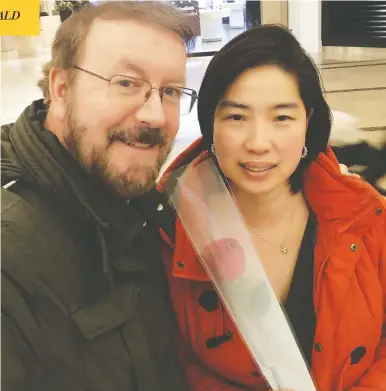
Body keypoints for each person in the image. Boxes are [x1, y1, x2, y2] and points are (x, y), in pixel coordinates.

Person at [158, 25, 386, 390]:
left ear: (308, 122)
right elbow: (173, 360)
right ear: (210, 124)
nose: (258, 143)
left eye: (282, 117)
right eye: (236, 117)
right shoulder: (172, 231)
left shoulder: (364, 216)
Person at [1, 2, 198, 390]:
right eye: (126, 83)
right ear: (61, 89)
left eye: (171, 91)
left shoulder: (128, 200)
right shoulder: (11, 253)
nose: (156, 116)